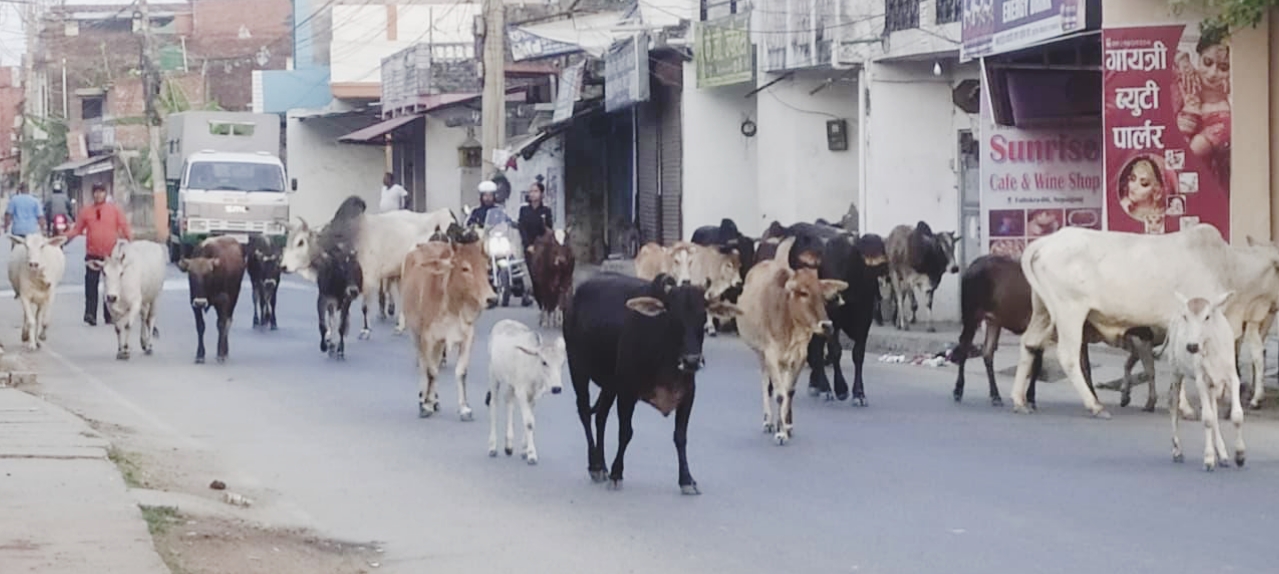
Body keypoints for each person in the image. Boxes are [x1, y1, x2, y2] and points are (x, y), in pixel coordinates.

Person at [64, 183, 132, 326]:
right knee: (91, 284)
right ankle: (90, 314)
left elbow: (124, 226)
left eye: (101, 192)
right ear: (92, 194)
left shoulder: (114, 210)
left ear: (105, 194)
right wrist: (63, 241)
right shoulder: (86, 211)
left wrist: (132, 242)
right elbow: (77, 230)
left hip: (111, 255)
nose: (98, 195)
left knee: (111, 286)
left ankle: (110, 315)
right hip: (93, 254)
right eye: (96, 192)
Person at [517, 181, 553, 253]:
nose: (533, 194)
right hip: (527, 246)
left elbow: (548, 229)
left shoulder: (546, 211)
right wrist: (527, 245)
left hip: (543, 247)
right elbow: (522, 228)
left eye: (536, 191)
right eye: (531, 191)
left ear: (541, 194)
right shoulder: (524, 210)